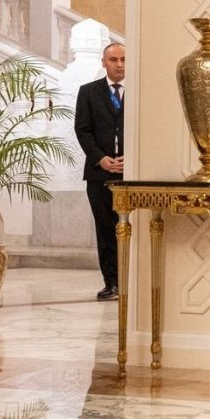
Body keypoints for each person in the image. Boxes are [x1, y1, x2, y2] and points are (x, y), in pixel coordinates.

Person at [74, 42, 125, 301]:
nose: (119, 64)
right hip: (99, 174)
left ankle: (131, 281)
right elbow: (82, 130)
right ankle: (112, 282)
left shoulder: (140, 91)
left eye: (123, 59)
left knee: (130, 228)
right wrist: (100, 159)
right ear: (104, 62)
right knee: (105, 228)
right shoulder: (88, 92)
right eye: (113, 59)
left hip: (130, 174)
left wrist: (134, 158)